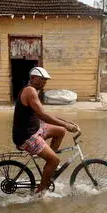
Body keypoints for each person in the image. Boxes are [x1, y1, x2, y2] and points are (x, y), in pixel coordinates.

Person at [12, 66, 79, 194]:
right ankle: (41, 193)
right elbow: (43, 116)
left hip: (36, 129)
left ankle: (49, 168)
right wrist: (67, 125)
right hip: (27, 136)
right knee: (55, 160)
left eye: (45, 80)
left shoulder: (34, 91)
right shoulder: (30, 91)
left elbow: (42, 114)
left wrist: (65, 123)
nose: (44, 82)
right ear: (32, 78)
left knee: (60, 131)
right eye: (42, 79)